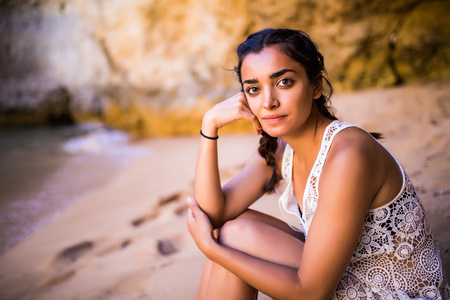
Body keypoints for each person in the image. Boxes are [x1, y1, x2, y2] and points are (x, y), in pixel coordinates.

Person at [186, 28, 449, 300]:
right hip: (341, 277)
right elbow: (210, 215)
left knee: (233, 238)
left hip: (385, 293)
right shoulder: (278, 148)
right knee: (230, 228)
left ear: (315, 86)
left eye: (284, 82)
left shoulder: (349, 154)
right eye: (254, 89)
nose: (268, 102)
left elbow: (311, 293)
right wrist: (210, 126)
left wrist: (211, 248)